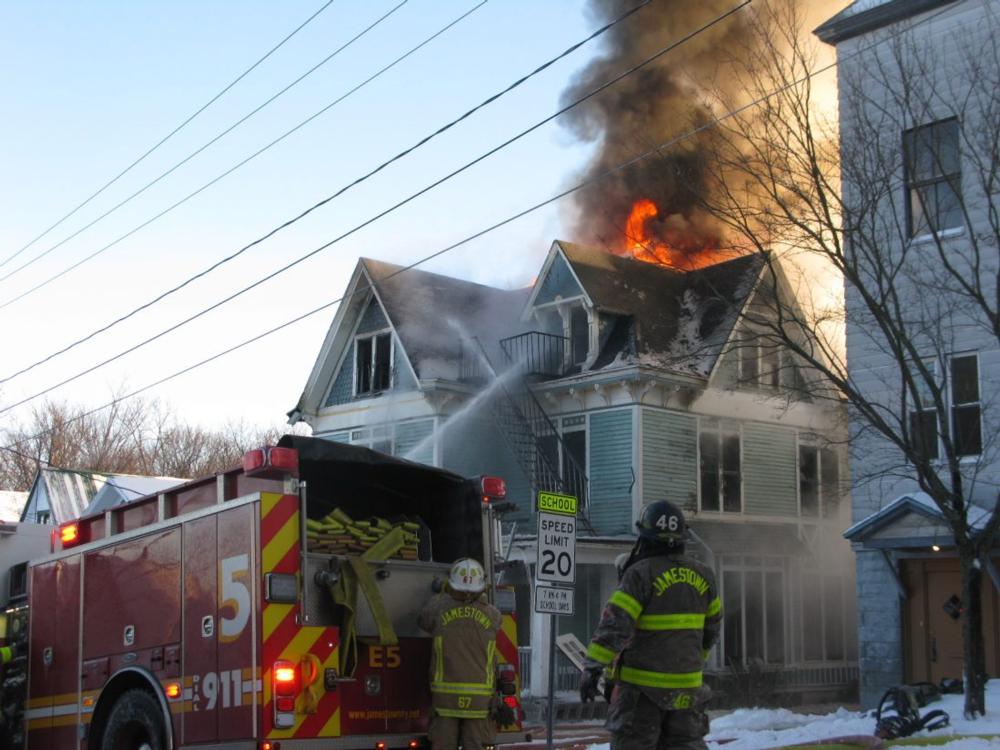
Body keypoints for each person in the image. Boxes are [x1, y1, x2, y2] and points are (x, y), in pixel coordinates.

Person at [580, 501, 721, 750]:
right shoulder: (704, 575)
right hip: (687, 692)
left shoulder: (640, 574)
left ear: (646, 537)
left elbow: (615, 626)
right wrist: (692, 661)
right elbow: (711, 630)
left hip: (641, 695)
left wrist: (592, 668)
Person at [418, 557, 501, 750]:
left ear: (451, 585)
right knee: (474, 745)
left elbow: (423, 620)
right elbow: (497, 624)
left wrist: (441, 595)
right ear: (481, 587)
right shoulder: (493, 615)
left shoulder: (439, 608)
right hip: (480, 700)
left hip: (445, 698)